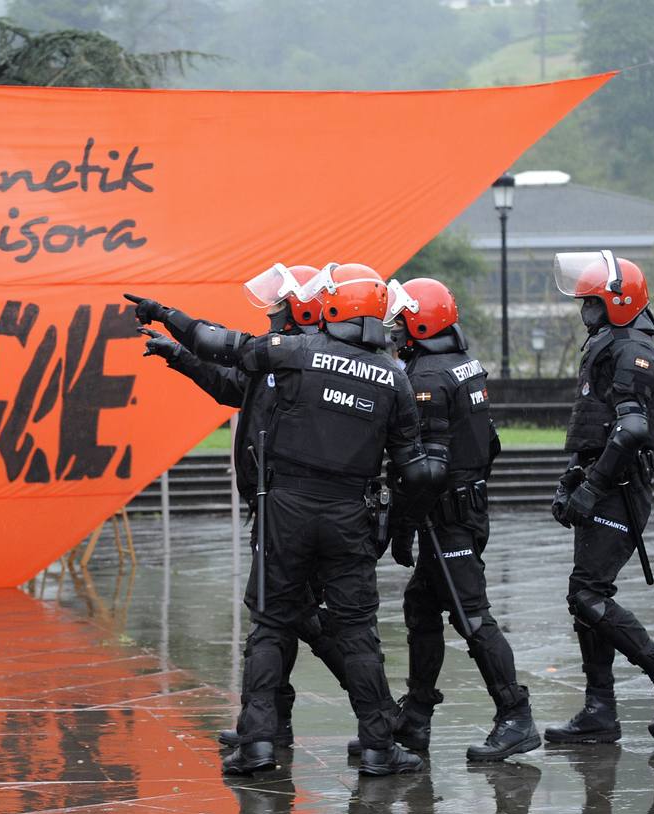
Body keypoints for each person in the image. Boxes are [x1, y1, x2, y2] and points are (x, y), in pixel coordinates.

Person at [130, 262, 439, 777]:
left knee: (271, 624)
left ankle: (256, 745)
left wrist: (166, 316)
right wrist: (400, 523)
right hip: (350, 517)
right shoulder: (396, 379)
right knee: (357, 631)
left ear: (333, 305)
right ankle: (380, 746)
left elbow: (219, 342)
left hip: (286, 510)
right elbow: (414, 469)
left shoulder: (296, 352)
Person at [382, 276, 540, 761]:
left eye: (402, 321)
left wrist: (401, 525)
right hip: (463, 507)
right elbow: (488, 444)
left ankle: (516, 716)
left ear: (421, 322)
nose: (395, 331)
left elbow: (425, 470)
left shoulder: (427, 378)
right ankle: (416, 719)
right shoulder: (463, 366)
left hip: (446, 515)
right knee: (421, 608)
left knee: (472, 617)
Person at [549, 251, 654, 742]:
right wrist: (572, 478)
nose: (584, 311)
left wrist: (593, 487)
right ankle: (600, 711)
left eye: (592, 302)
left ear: (617, 302)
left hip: (619, 488)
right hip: (603, 481)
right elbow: (597, 423)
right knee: (586, 595)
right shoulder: (609, 342)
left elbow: (632, 427)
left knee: (587, 595)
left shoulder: (633, 348)